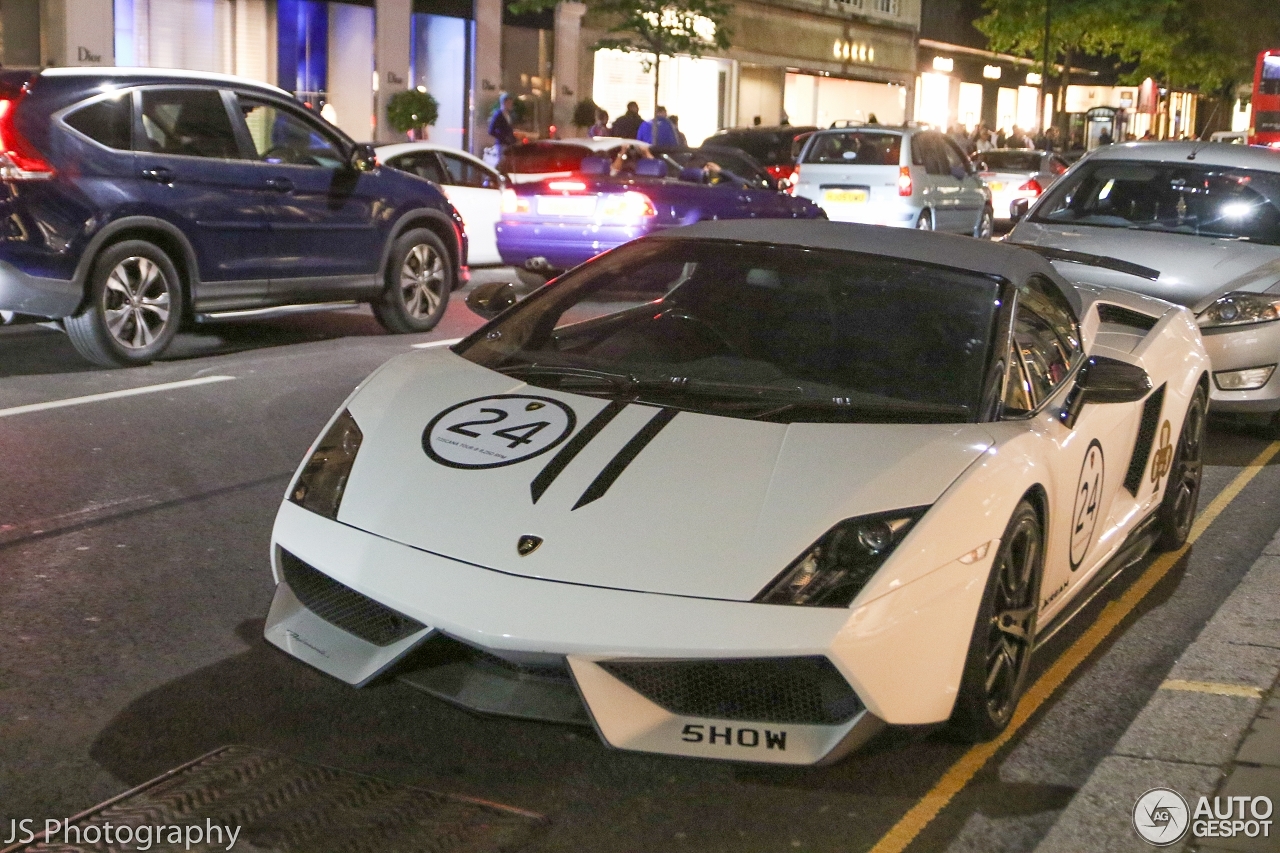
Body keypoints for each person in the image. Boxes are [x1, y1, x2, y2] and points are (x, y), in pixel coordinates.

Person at [487, 93, 518, 159]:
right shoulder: (498, 115)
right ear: (504, 103)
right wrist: (503, 137)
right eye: (509, 103)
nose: (511, 105)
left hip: (509, 144)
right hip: (501, 145)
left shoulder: (509, 115)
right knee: (502, 162)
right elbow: (491, 130)